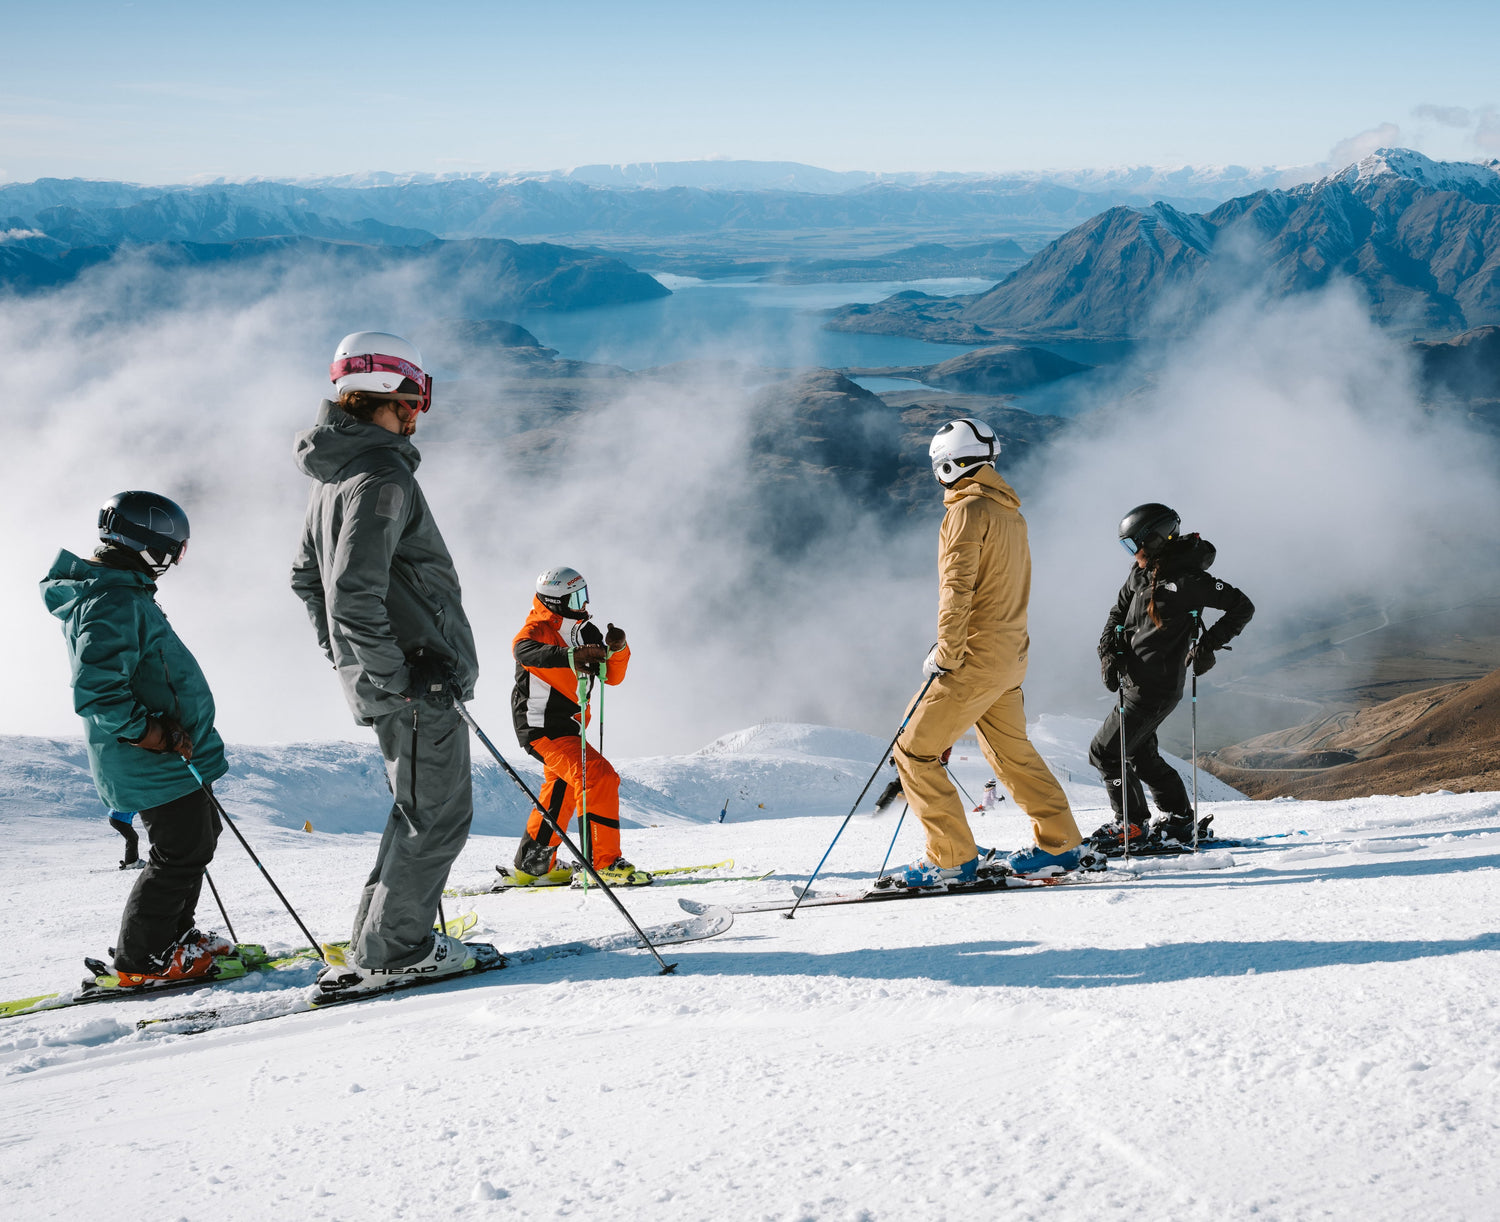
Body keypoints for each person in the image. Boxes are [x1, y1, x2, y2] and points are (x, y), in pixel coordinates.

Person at [291, 331, 481, 996]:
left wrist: (349, 660)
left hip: (395, 681)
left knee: (417, 809)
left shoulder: (335, 474)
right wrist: (396, 675)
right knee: (438, 815)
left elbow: (308, 581)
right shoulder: (382, 476)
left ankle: (381, 942)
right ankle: (396, 952)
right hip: (416, 686)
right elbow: (349, 591)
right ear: (386, 393)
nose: (418, 412)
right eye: (415, 397)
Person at [41, 491, 235, 984]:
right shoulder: (114, 600)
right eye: (174, 550)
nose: (174, 560)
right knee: (180, 851)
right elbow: (98, 691)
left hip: (171, 756)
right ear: (150, 546)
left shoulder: (123, 591)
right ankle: (143, 959)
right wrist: (152, 734)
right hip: (152, 759)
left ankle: (175, 938)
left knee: (197, 841)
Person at [886, 419, 1085, 885]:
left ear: (948, 465)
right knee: (1010, 752)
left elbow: (957, 589)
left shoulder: (967, 510)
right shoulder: (1010, 512)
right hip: (1010, 655)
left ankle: (951, 859)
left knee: (912, 749)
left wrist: (947, 652)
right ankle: (1060, 842)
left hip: (974, 656)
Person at [1088, 503, 1254, 849]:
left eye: (1134, 546)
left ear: (1155, 540)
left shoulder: (1188, 580)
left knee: (1105, 752)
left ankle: (1131, 826)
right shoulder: (1140, 574)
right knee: (1139, 754)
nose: (1132, 555)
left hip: (1156, 686)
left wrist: (1207, 646)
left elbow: (1242, 606)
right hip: (1135, 681)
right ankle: (1179, 819)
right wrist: (1108, 653)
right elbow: (1116, 614)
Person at [509, 567, 642, 884]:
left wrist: (618, 649)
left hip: (570, 728)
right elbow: (522, 650)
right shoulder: (538, 628)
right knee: (597, 775)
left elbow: (612, 676)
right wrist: (570, 656)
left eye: (584, 595)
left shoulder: (587, 630)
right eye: (576, 598)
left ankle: (533, 865)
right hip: (541, 726)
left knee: (562, 790)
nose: (584, 604)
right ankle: (601, 862)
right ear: (556, 601)